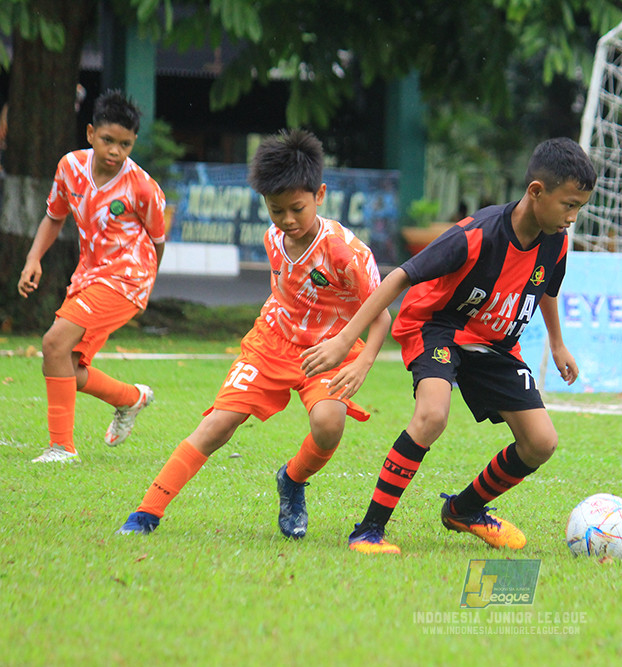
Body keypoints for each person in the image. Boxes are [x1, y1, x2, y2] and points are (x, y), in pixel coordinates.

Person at [300, 137, 597, 554]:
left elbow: (546, 287)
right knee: (433, 414)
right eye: (569, 205)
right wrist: (346, 339)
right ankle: (368, 530)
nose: (572, 217)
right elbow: (400, 276)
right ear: (536, 192)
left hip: (495, 343)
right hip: (439, 326)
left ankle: (464, 509)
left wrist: (558, 343)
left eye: (579, 207)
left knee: (541, 443)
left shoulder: (555, 240)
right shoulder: (475, 235)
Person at [117, 129, 391, 537]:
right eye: (276, 210)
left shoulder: (347, 253)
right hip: (271, 343)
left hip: (330, 350)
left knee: (329, 425)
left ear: (320, 194)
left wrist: (361, 358)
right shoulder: (272, 238)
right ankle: (146, 514)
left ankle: (293, 481)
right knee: (217, 426)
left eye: (297, 208)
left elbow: (381, 314)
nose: (287, 220)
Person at [17, 90, 166, 463]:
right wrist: (33, 258)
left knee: (53, 344)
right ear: (90, 133)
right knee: (67, 364)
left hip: (126, 280)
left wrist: (145, 285)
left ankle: (62, 448)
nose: (115, 151)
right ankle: (130, 399)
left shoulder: (142, 187)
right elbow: (54, 216)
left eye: (125, 144)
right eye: (108, 140)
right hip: (90, 275)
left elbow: (158, 241)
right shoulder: (69, 167)